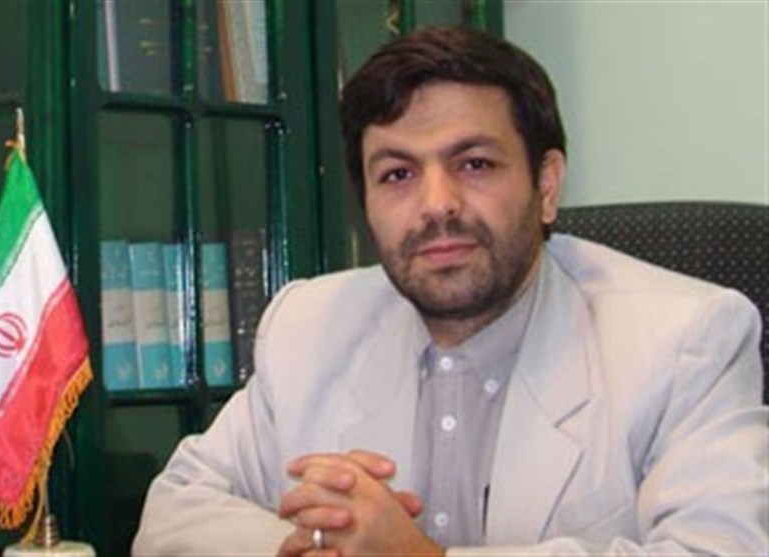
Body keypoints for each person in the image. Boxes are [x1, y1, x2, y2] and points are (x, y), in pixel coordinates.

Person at [132, 26, 767, 555]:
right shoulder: (309, 326)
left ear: (546, 186)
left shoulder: (687, 341)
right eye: (397, 174)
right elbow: (171, 516)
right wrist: (319, 544)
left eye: (474, 164)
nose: (437, 204)